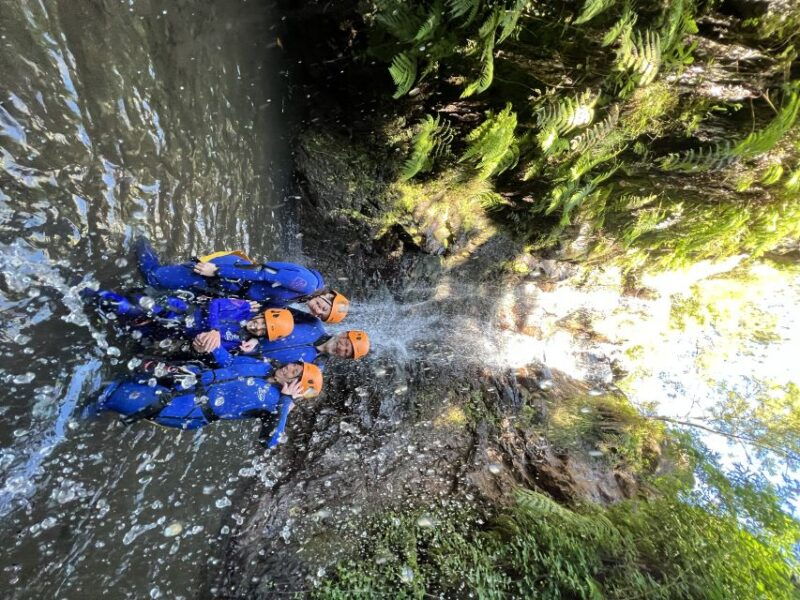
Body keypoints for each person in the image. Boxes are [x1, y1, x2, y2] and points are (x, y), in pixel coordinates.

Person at [94, 353, 323, 448]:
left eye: (295, 373)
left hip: (188, 408)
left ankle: (87, 412)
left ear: (298, 386)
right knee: (127, 369)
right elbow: (228, 362)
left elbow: (269, 442)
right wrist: (213, 344)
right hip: (187, 378)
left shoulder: (274, 405)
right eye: (293, 365)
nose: (288, 368)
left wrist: (285, 401)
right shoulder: (262, 365)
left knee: (110, 395)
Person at [135, 238, 350, 323]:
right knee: (155, 279)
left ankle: (159, 260)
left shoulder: (302, 296)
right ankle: (137, 237)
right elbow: (263, 271)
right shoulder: (308, 284)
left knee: (172, 289)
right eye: (324, 307)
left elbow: (270, 300)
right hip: (228, 273)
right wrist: (217, 270)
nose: (318, 311)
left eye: (322, 315)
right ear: (328, 295)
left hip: (230, 284)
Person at [83, 289, 294, 353]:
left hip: (173, 333)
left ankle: (89, 317)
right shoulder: (244, 308)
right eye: (262, 322)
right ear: (261, 315)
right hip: (177, 310)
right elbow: (216, 304)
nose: (257, 327)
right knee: (123, 305)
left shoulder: (239, 342)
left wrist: (200, 347)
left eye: (262, 331)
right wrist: (214, 329)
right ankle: (85, 292)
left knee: (125, 333)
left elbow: (209, 348)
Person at [238, 309, 370, 367]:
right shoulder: (313, 324)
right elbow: (279, 310)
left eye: (346, 352)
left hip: (242, 362)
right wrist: (256, 338)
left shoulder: (315, 367)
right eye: (345, 344)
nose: (341, 349)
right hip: (243, 335)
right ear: (343, 334)